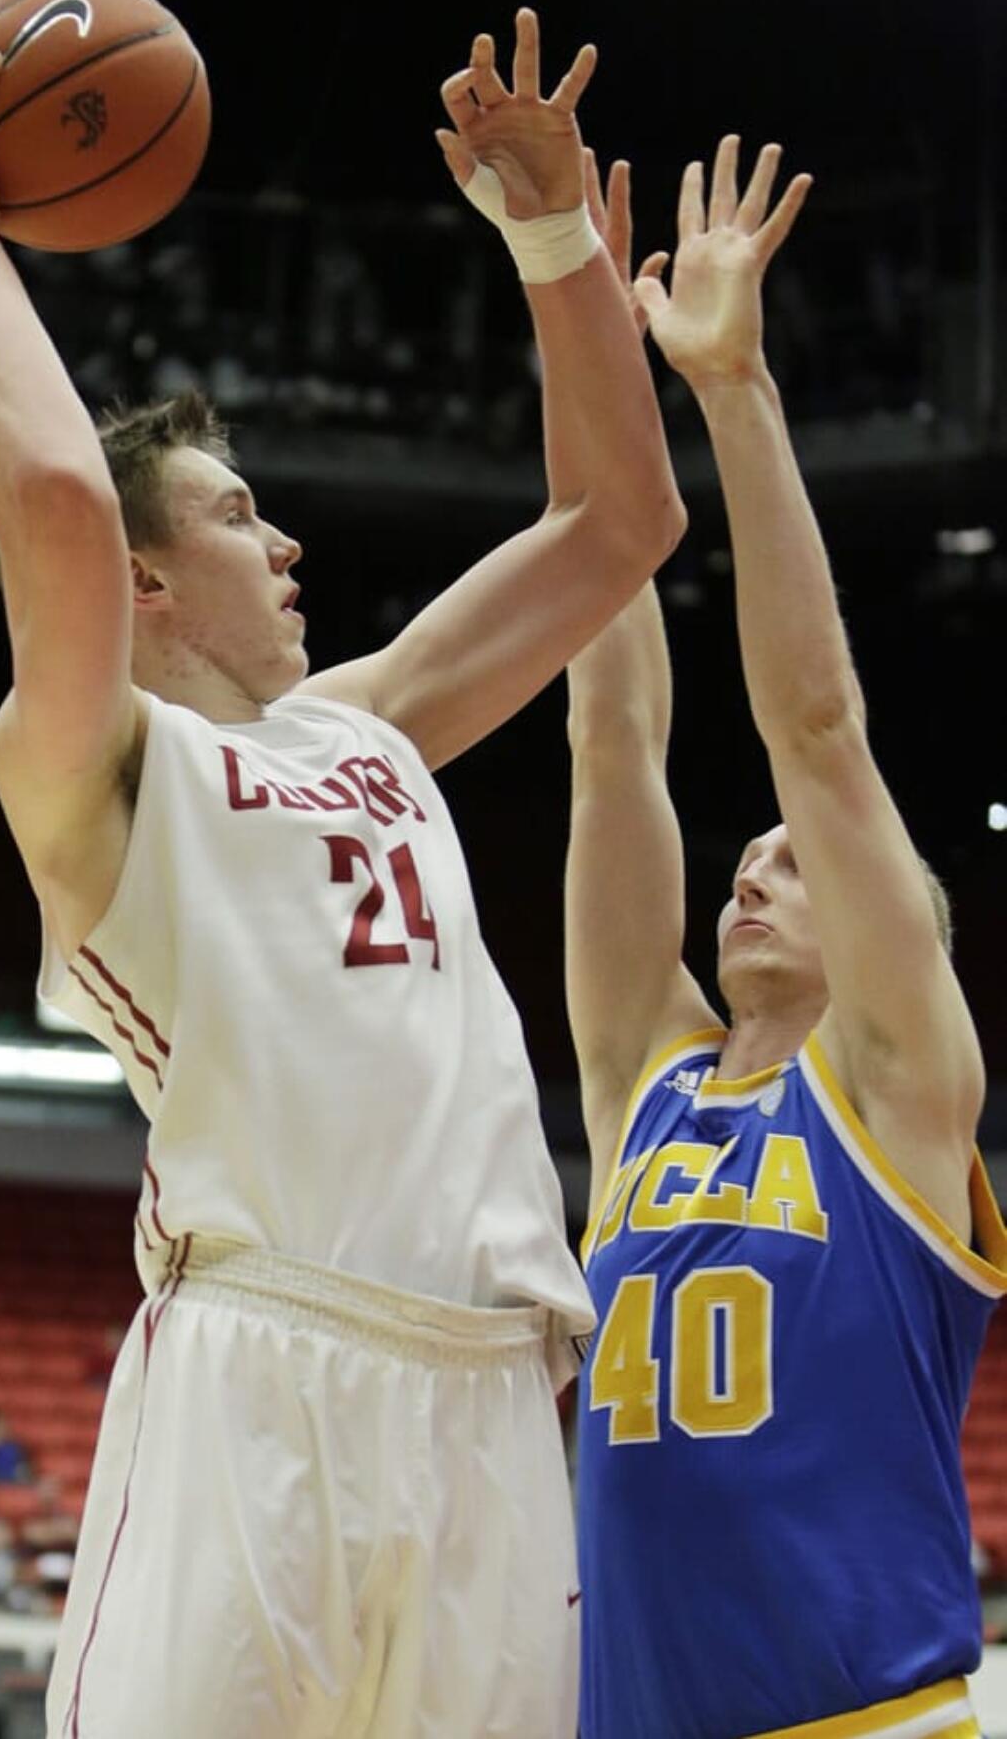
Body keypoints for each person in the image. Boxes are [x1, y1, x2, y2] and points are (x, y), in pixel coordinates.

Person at [0, 6, 685, 1736]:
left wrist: (550, 238)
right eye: (243, 514)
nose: (289, 537)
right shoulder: (94, 774)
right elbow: (47, 493)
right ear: (149, 583)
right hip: (263, 1373)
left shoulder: (371, 728)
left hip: (491, 1396)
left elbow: (619, 523)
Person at [565, 136, 1006, 1739]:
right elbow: (611, 736)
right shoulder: (643, 1087)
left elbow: (814, 730)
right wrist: (587, 348)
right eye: (742, 859)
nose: (752, 872)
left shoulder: (894, 1086)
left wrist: (732, 389)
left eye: (793, 868)